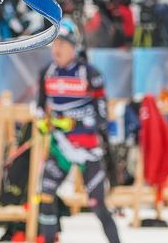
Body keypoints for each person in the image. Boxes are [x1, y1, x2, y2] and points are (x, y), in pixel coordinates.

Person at [36, 19, 120, 243]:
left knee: (98, 205)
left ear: (74, 46)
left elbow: (101, 116)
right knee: (44, 195)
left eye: (62, 44)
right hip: (60, 149)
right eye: (54, 44)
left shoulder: (89, 73)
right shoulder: (47, 72)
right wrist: (44, 123)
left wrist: (72, 122)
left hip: (87, 150)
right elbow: (39, 109)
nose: (57, 49)